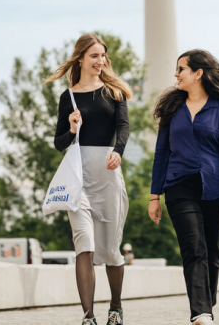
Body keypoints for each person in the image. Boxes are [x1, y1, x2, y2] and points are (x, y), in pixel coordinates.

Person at [148, 49, 219, 324]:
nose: (176, 74)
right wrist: (154, 196)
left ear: (198, 73)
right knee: (194, 248)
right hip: (179, 186)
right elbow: (161, 154)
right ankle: (200, 312)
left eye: (181, 69)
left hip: (215, 187)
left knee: (212, 254)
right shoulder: (172, 110)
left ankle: (205, 302)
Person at [44, 33, 133, 325]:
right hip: (78, 179)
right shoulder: (67, 97)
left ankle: (116, 308)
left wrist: (118, 152)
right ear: (81, 57)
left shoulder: (114, 92)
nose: (101, 61)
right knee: (83, 243)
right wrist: (70, 129)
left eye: (103, 55)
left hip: (108, 174)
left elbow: (123, 127)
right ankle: (88, 316)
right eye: (94, 55)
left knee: (110, 249)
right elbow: (59, 143)